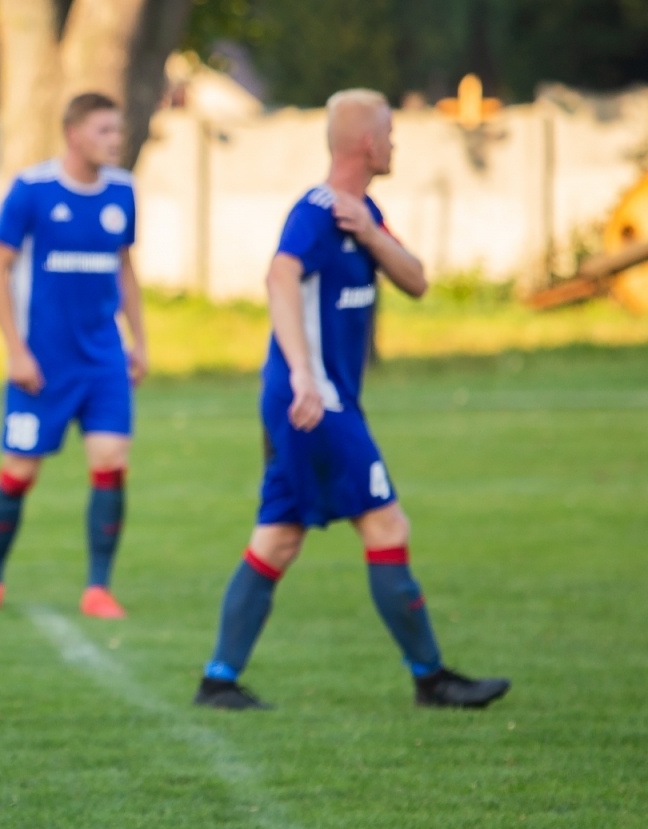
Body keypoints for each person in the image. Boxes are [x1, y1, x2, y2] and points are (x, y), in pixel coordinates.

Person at [193, 89, 509, 712]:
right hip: (315, 402)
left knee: (276, 540)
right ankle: (431, 678)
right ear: (368, 143)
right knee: (387, 523)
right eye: (391, 131)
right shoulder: (313, 210)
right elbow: (279, 277)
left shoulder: (362, 213)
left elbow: (416, 280)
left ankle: (218, 681)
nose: (396, 142)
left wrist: (371, 233)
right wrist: (306, 375)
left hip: (321, 400)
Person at [0, 92, 148, 620]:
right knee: (19, 472)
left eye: (118, 131)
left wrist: (140, 342)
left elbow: (125, 268)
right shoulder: (33, 189)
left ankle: (98, 588)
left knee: (111, 461)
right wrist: (16, 350)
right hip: (41, 364)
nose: (116, 140)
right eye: (105, 131)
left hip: (104, 360)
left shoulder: (124, 192)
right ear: (74, 134)